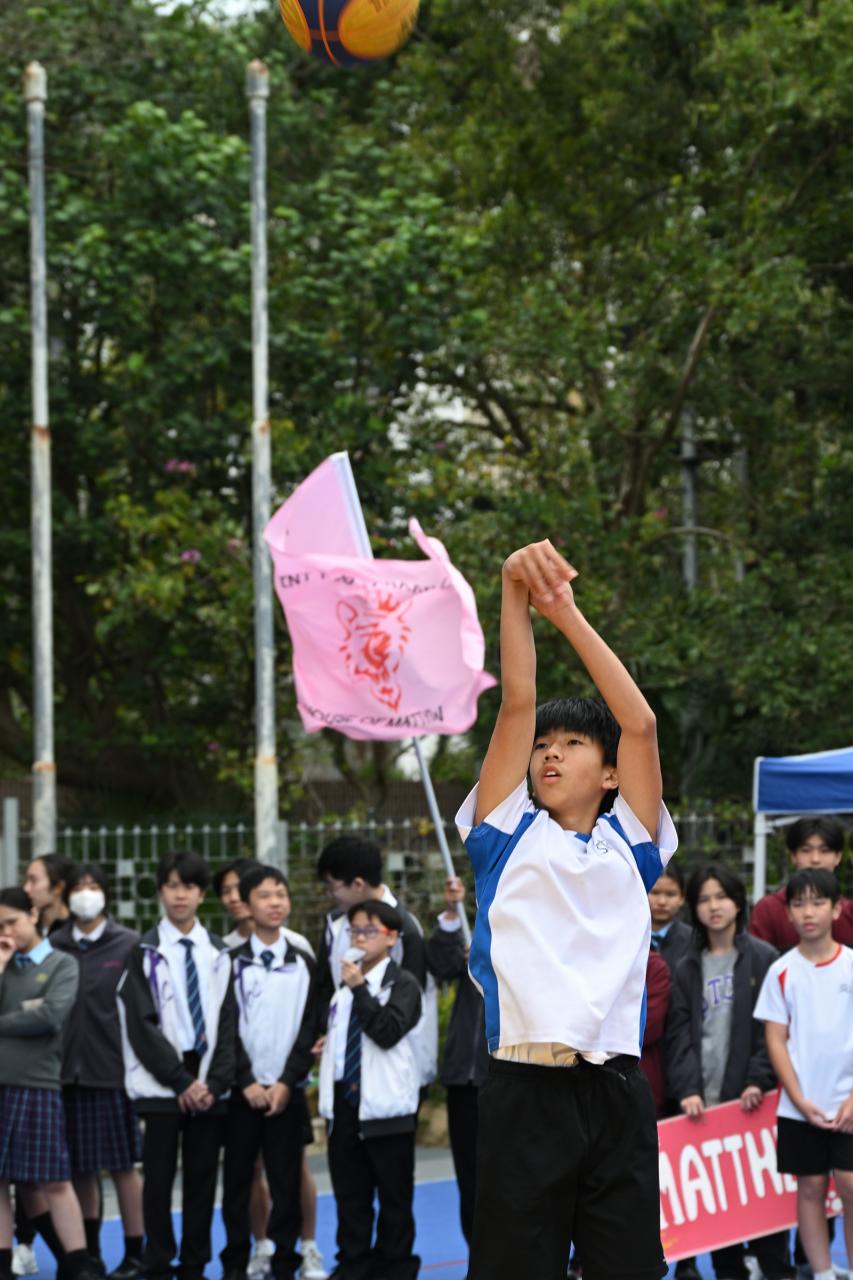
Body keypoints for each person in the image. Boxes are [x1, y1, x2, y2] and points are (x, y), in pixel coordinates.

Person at [456, 538, 678, 1280]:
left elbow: (639, 724)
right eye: (542, 746)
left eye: (574, 742)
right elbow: (517, 702)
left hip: (616, 1090)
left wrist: (566, 613)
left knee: (629, 1269)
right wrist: (512, 590)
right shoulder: (504, 834)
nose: (549, 753)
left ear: (610, 774)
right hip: (523, 1089)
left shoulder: (632, 844)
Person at [665, 864, 793, 1280]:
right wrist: (688, 1088)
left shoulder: (763, 958)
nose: (714, 906)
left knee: (768, 1225)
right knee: (723, 1230)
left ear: (738, 903)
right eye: (704, 899)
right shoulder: (686, 966)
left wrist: (759, 1079)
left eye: (721, 897)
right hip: (705, 1110)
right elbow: (678, 1034)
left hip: (754, 1109)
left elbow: (774, 1030)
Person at [116, 851, 236, 1280]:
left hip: (208, 1079)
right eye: (171, 886)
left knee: (202, 1180)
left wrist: (213, 1083)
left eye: (188, 886)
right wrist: (180, 1080)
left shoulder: (220, 952)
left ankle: (193, 1262)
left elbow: (229, 1021)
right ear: (160, 892)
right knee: (159, 1179)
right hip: (163, 1079)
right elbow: (140, 1023)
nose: (179, 895)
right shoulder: (144, 951)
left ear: (202, 895)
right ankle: (158, 1259)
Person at [215, 861, 326, 1280]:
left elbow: (310, 1026)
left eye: (281, 894)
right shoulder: (228, 963)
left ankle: (285, 1260)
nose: (275, 902)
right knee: (238, 1180)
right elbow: (224, 1027)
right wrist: (245, 1081)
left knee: (286, 1180)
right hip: (242, 1094)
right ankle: (237, 1259)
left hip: (286, 1093)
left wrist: (285, 1081)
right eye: (264, 895)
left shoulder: (303, 961)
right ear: (245, 905)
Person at [754, 868, 853, 1280]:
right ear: (788, 912)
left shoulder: (851, 965)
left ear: (837, 909)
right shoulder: (781, 970)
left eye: (817, 902)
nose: (808, 912)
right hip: (800, 1106)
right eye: (798, 904)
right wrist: (797, 1099)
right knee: (810, 1188)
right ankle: (823, 1272)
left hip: (849, 1103)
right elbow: (776, 1040)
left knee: (850, 1185)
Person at [0, 887, 101, 1280]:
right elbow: (32, 1016)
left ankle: (77, 1261)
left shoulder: (62, 964)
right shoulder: (3, 965)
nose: (6, 931)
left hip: (38, 1083)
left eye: (12, 922)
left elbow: (50, 1016)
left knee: (55, 1178)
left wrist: (19, 1017)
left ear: (33, 916)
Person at [318, 900, 422, 1280]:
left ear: (392, 938)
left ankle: (395, 1268)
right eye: (355, 931)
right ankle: (353, 1265)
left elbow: (387, 1031)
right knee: (351, 1198)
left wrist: (360, 989)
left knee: (394, 1200)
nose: (359, 938)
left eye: (369, 931)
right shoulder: (344, 987)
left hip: (386, 1108)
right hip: (345, 1105)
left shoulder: (402, 983)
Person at [51, 863, 144, 1280]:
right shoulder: (55, 945)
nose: (86, 893)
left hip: (112, 1071)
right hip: (64, 1073)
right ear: (66, 895)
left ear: (106, 893)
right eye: (78, 886)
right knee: (80, 1169)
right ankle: (88, 1254)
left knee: (123, 1167)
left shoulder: (128, 943)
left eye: (93, 886)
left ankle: (135, 1251)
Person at [315, 837, 436, 1089]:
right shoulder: (335, 925)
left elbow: (409, 1006)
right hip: (346, 1066)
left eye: (332, 887)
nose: (330, 895)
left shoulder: (405, 930)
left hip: (393, 1071)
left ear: (358, 884)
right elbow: (325, 987)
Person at [425, 876, 488, 1249]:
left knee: (515, 1176)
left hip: (512, 1077)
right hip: (465, 1078)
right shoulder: (472, 934)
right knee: (470, 1177)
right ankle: (479, 1258)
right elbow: (440, 965)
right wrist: (452, 913)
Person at [750, 818, 853, 951]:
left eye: (825, 851)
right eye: (806, 850)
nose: (815, 859)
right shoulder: (768, 909)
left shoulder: (849, 912)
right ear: (793, 856)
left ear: (838, 857)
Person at [649, 862, 692, 971]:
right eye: (655, 893)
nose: (662, 902)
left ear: (682, 897)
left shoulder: (693, 941)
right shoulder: (628, 937)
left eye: (670, 894)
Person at [23, 853, 74, 936]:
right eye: (26, 881)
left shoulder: (79, 930)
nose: (26, 888)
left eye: (33, 880)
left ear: (58, 887)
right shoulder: (27, 929)